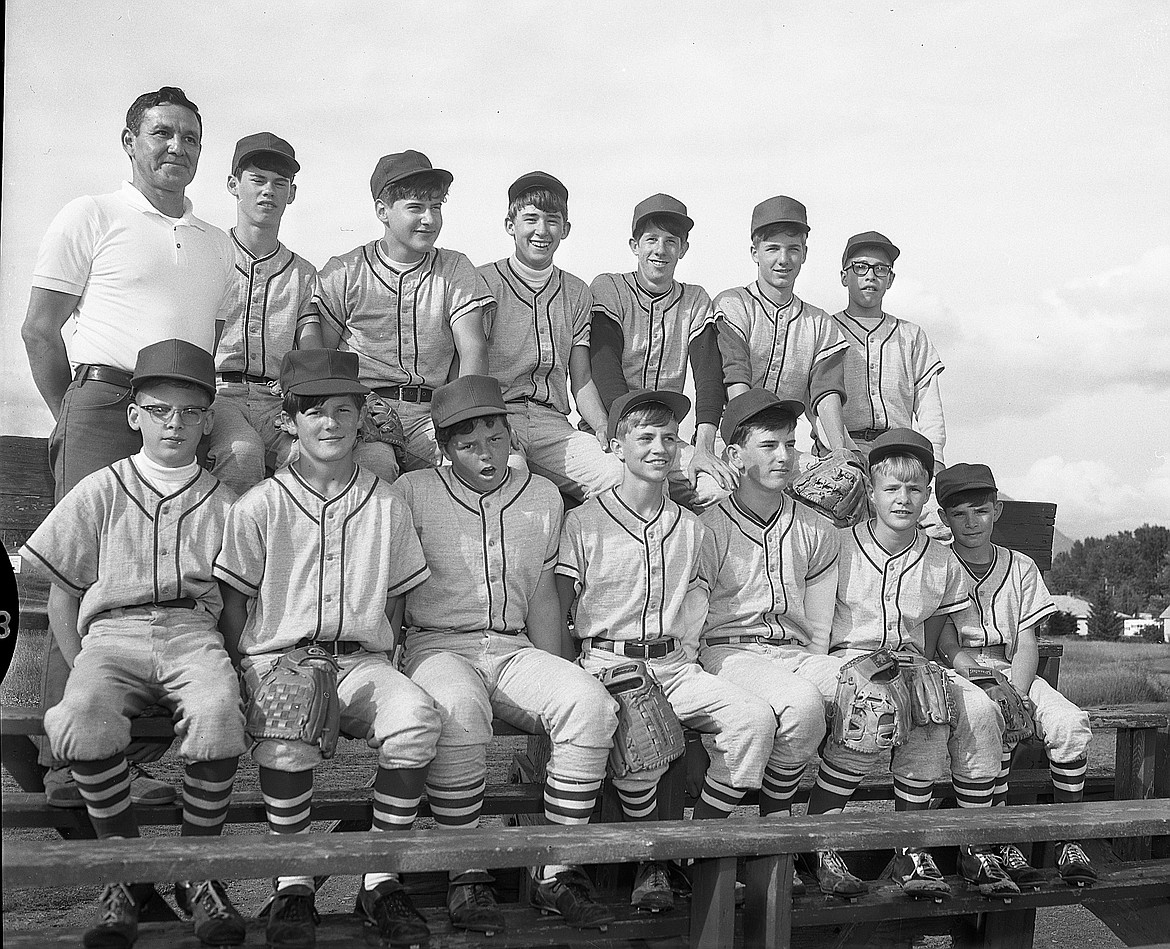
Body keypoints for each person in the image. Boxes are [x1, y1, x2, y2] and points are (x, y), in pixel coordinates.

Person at [21, 84, 235, 809]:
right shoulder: (92, 214)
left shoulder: (216, 244)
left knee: (172, 576)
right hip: (106, 398)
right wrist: (70, 413)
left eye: (190, 138)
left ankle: (138, 758)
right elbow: (40, 330)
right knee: (79, 577)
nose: (176, 148)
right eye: (161, 134)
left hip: (184, 407)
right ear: (130, 142)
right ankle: (66, 763)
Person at [21, 340, 247, 948]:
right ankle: (124, 871)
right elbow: (63, 593)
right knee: (79, 718)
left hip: (190, 632)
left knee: (220, 712)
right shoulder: (100, 488)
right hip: (112, 634)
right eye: (160, 409)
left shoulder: (224, 502)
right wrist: (79, 666)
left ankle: (197, 872)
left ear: (207, 421)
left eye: (191, 412)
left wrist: (235, 664)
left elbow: (230, 601)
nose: (175, 423)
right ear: (134, 415)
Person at [215, 349, 442, 949]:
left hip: (361, 658)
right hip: (283, 655)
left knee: (416, 715)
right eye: (313, 411)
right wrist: (248, 667)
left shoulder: (387, 501)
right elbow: (234, 602)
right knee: (287, 733)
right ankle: (293, 884)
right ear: (289, 420)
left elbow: (396, 600)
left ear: (362, 418)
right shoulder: (259, 502)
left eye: (344, 409)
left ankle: (380, 878)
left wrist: (384, 656)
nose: (330, 423)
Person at [393, 374, 620, 934]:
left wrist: (560, 673)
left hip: (512, 645)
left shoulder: (542, 494)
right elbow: (394, 591)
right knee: (461, 712)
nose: (486, 453)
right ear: (444, 448)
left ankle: (556, 871)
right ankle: (465, 870)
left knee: (589, 706)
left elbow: (544, 594)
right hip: (437, 643)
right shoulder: (414, 490)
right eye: (468, 444)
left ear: (512, 436)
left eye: (496, 438)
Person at [557, 389, 777, 912]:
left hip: (675, 664)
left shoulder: (692, 526)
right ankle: (652, 861)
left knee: (753, 722)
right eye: (645, 436)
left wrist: (694, 664)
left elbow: (697, 608)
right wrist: (575, 673)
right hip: (609, 660)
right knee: (642, 742)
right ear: (616, 445)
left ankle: (688, 848)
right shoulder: (584, 521)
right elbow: (563, 606)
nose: (660, 447)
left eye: (669, 438)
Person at [790, 430, 1006, 900]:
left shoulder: (940, 558)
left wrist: (960, 667)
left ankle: (945, 847)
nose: (903, 499)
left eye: (913, 489)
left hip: (906, 662)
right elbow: (816, 629)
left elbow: (937, 628)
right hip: (845, 659)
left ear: (927, 494)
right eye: (891, 488)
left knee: (967, 710)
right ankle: (817, 840)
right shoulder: (838, 544)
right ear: (870, 492)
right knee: (877, 703)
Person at [696, 390, 837, 893]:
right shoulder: (707, 526)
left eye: (791, 444)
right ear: (735, 456)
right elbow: (692, 620)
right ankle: (752, 841)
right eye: (768, 445)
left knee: (864, 692)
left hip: (794, 653)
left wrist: (822, 669)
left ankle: (787, 837)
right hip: (728, 651)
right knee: (800, 705)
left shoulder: (817, 527)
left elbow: (819, 627)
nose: (783, 456)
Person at [936, 463, 1097, 888]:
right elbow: (946, 641)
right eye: (959, 514)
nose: (972, 522)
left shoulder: (1020, 566)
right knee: (993, 723)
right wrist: (983, 680)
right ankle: (994, 842)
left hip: (1012, 666)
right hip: (961, 670)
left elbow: (1027, 641)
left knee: (1068, 723)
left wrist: (1021, 694)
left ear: (997, 511)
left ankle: (1067, 838)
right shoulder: (939, 563)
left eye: (981, 510)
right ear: (943, 517)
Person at [303, 149, 493, 479]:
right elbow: (322, 357)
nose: (429, 219)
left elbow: (473, 348)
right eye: (416, 207)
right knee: (373, 467)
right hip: (367, 407)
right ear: (383, 210)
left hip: (432, 411)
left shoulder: (455, 267)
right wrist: (354, 410)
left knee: (469, 469)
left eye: (436, 207)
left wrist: (460, 418)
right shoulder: (346, 270)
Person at [478, 171, 622, 499]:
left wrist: (601, 423)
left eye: (552, 220)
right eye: (531, 219)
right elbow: (470, 366)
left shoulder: (577, 291)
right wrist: (490, 419)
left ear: (565, 229)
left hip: (552, 422)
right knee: (512, 480)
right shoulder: (484, 281)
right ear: (510, 225)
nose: (542, 231)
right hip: (496, 416)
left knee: (618, 473)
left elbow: (581, 379)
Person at [589, 194, 735, 506]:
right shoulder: (609, 287)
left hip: (666, 438)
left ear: (683, 248)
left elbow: (709, 380)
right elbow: (604, 367)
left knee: (719, 490)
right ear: (634, 245)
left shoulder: (695, 299)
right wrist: (630, 439)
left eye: (671, 241)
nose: (660, 249)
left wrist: (704, 448)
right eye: (651, 239)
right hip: (612, 433)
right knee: (632, 485)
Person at [204, 132, 317, 492]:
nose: (268, 190)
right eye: (257, 179)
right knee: (242, 452)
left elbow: (310, 348)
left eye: (279, 183)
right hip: (219, 393)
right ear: (233, 185)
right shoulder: (208, 254)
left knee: (313, 457)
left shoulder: (303, 273)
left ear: (292, 194)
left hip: (275, 400)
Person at [830, 230, 950, 538]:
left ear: (890, 279)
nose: (870, 276)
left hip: (902, 451)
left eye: (880, 269)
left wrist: (934, 459)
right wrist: (843, 448)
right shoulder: (826, 329)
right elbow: (817, 403)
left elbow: (929, 406)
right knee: (836, 531)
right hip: (845, 449)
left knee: (939, 527)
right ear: (845, 276)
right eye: (860, 267)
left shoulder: (912, 335)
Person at [713, 196, 850, 453]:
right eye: (773, 248)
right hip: (730, 441)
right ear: (755, 253)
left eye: (793, 249)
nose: (784, 259)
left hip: (785, 448)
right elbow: (736, 376)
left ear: (804, 254)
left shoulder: (820, 323)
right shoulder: (733, 304)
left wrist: (842, 453)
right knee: (714, 492)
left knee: (841, 486)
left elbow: (825, 396)